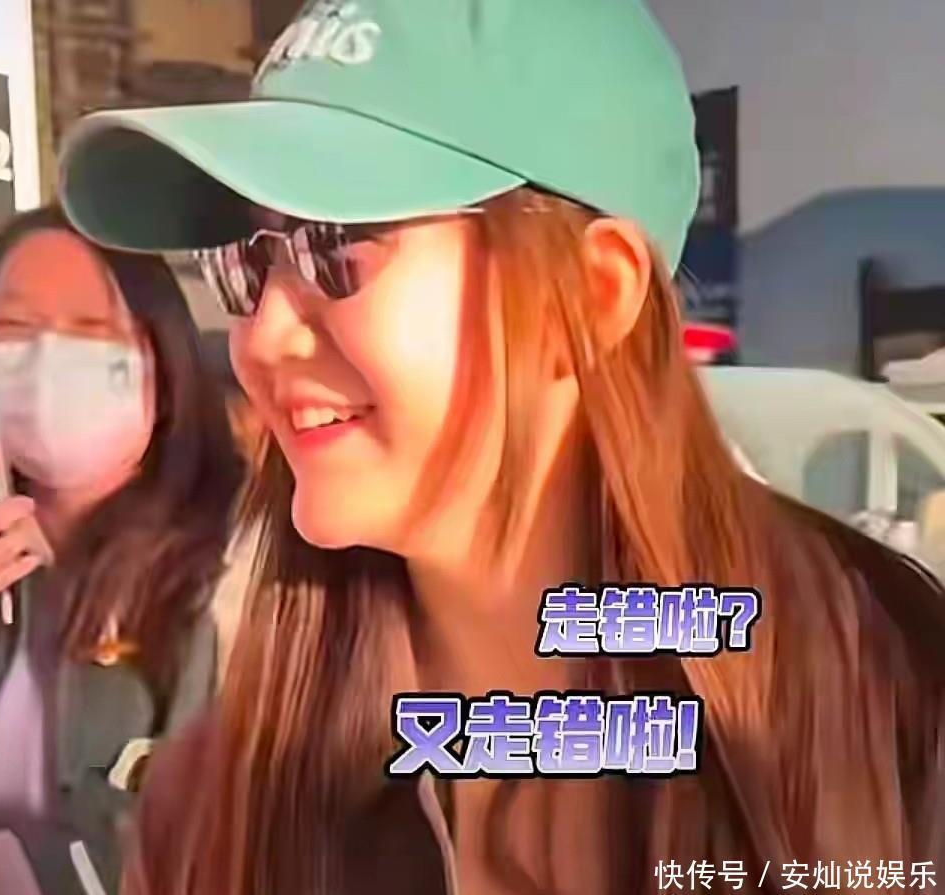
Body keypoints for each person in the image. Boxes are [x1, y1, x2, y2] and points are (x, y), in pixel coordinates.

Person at [57, 1, 945, 893]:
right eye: (248, 265)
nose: (261, 337)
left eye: (336, 250)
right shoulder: (216, 811)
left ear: (593, 298)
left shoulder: (898, 707)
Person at [0, 206, 243, 895]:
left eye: (90, 332)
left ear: (162, 369)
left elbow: (221, 844)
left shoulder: (237, 584)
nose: (45, 359)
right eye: (13, 327)